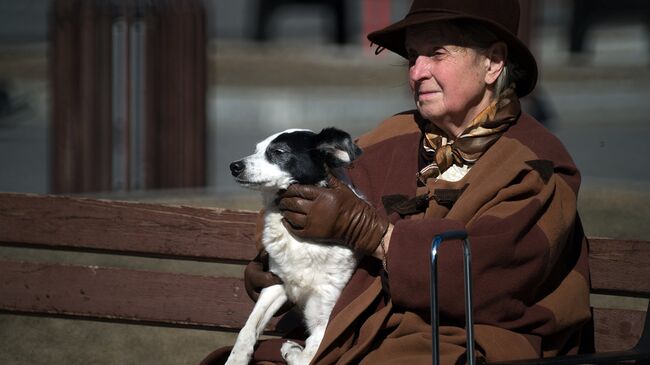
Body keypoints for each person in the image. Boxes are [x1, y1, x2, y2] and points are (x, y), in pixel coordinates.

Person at [201, 0, 591, 364]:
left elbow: (486, 281)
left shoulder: (537, 165)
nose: (417, 71)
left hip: (471, 343)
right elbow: (312, 187)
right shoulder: (398, 132)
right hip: (364, 331)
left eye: (437, 54)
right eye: (412, 56)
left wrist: (372, 233)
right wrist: (277, 257)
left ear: (492, 62)